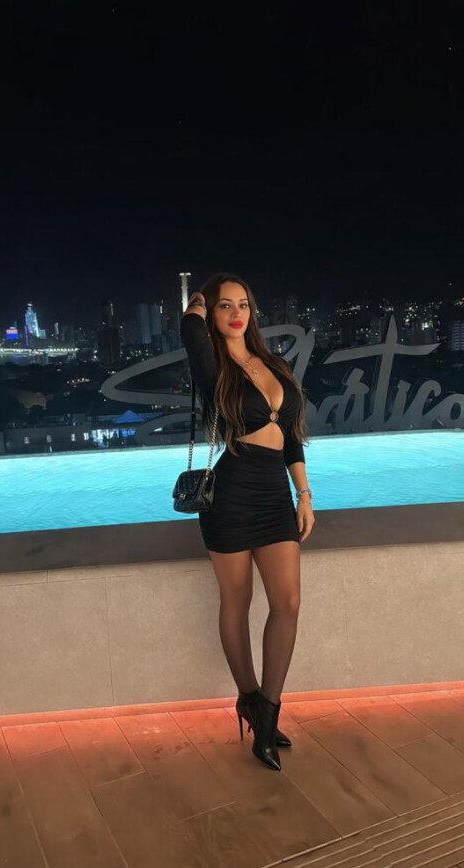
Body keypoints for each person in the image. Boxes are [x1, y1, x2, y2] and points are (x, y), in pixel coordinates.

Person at [180, 272, 315, 771]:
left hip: (275, 495)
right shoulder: (212, 366)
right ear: (212, 315)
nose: (236, 313)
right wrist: (197, 300)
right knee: (237, 601)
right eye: (224, 305)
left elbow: (292, 435)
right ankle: (248, 696)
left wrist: (303, 493)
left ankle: (267, 709)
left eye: (243, 304)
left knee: (288, 603)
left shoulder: (273, 364)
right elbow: (188, 331)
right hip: (232, 493)